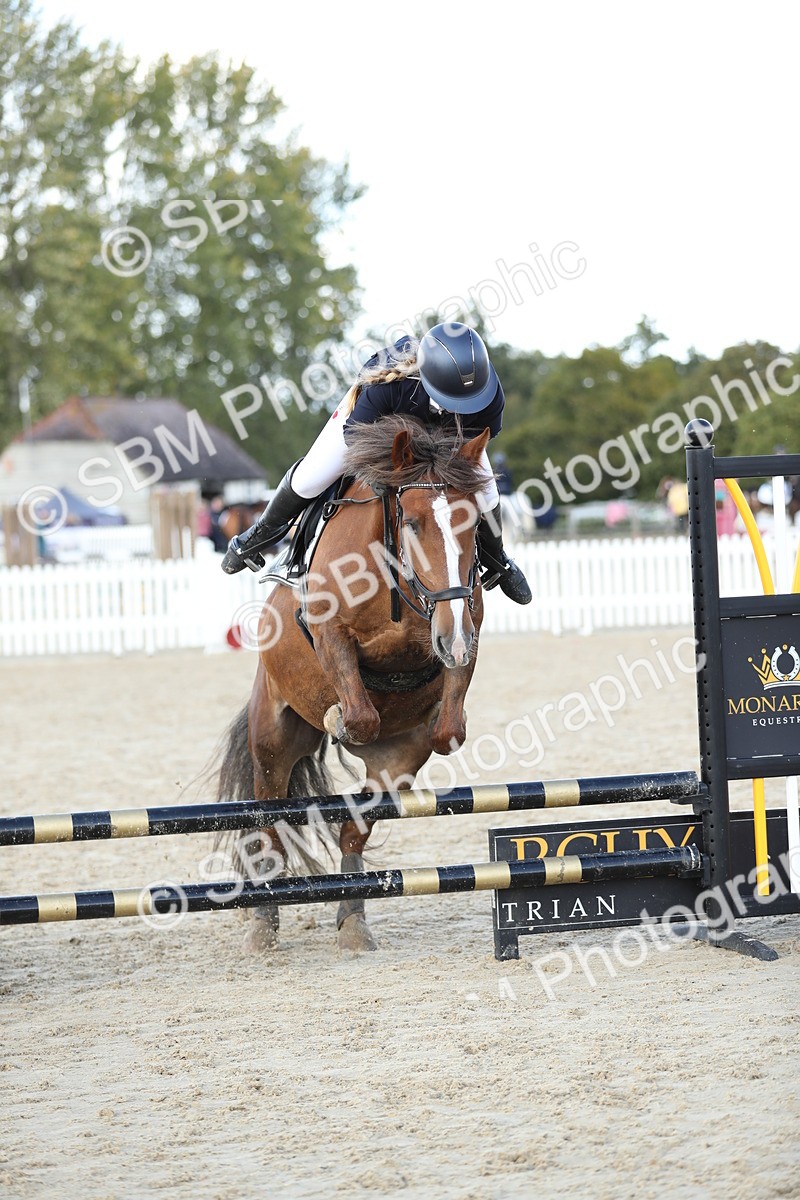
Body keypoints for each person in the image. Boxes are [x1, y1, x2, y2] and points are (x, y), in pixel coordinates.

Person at [221, 322, 532, 604]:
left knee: (488, 491)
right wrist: (392, 468)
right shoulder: (388, 386)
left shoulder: (487, 394)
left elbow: (472, 449)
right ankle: (257, 536)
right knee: (311, 478)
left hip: (450, 436)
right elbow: (357, 440)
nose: (464, 406)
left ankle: (497, 559)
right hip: (376, 431)